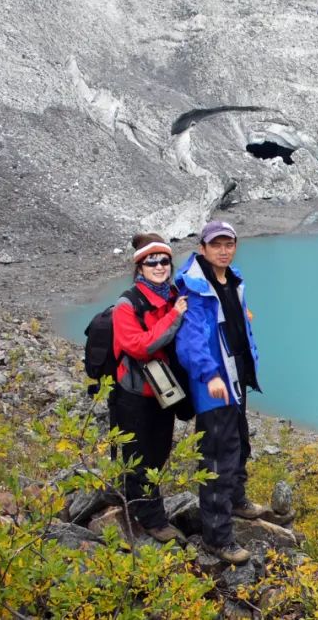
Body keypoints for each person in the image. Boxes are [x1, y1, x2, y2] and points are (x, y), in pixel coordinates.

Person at [174, 220, 264, 564]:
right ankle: (217, 537)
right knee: (217, 456)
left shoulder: (232, 278)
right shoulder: (195, 287)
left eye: (229, 244)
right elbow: (190, 339)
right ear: (203, 249)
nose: (224, 250)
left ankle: (237, 500)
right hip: (213, 384)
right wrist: (210, 374)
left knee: (239, 441)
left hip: (235, 376)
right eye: (217, 245)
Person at [109, 233, 188, 544]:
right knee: (140, 456)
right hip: (135, 395)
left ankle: (135, 503)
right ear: (139, 267)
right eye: (151, 261)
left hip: (161, 391)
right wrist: (175, 316)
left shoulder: (171, 295)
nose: (159, 266)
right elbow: (142, 346)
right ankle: (152, 521)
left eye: (164, 261)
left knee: (158, 451)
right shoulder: (127, 305)